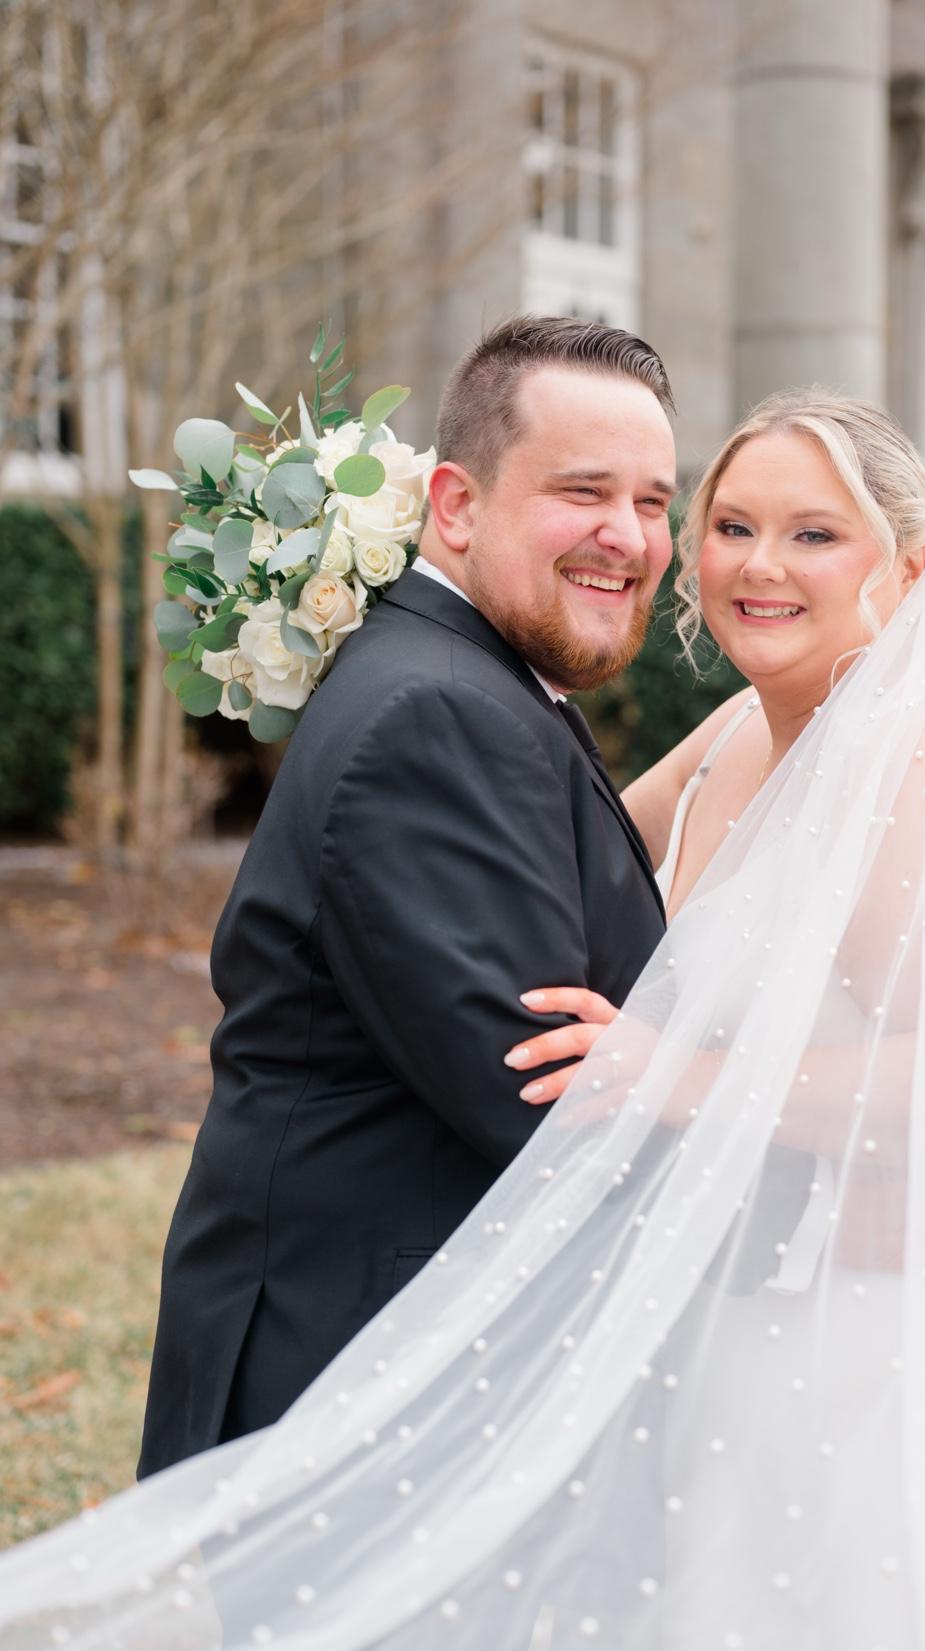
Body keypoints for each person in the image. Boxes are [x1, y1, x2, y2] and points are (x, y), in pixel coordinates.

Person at [0, 394, 925, 1651]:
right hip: (725, 1334)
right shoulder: (736, 735)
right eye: (731, 525)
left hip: (870, 1340)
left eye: (813, 534)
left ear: (910, 565)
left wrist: (682, 1077)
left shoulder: (923, 758)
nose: (758, 564)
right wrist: (411, 649)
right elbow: (547, 860)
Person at [137, 316, 675, 1478]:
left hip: (381, 1363)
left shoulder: (466, 678)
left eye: (653, 502)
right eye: (583, 491)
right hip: (358, 1396)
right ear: (456, 506)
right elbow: (549, 1104)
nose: (628, 537)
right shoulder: (440, 715)